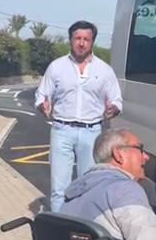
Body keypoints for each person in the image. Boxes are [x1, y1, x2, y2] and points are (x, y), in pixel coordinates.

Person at [35, 20, 122, 212]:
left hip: (91, 132)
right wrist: (43, 105)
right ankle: (58, 230)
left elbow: (117, 100)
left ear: (92, 42)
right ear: (70, 40)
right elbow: (41, 95)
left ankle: (84, 230)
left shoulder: (104, 70)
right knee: (59, 189)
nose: (81, 43)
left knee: (88, 186)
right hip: (62, 130)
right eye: (77, 38)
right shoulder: (56, 67)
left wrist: (112, 109)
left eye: (86, 39)